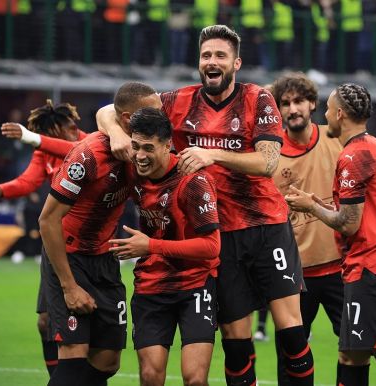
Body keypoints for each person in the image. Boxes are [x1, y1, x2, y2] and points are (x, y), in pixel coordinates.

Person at [97, 25, 313, 386]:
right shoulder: (176, 101)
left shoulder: (257, 98)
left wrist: (210, 154)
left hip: (266, 227)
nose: (212, 62)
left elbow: (268, 161)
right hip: (219, 233)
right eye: (206, 56)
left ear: (236, 63)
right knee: (235, 341)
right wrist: (116, 132)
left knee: (291, 333)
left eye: (220, 56)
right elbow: (111, 109)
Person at [285, 83, 376, 386]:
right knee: (351, 355)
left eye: (329, 109)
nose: (326, 114)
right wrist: (323, 204)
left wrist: (311, 207)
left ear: (341, 114)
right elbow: (362, 208)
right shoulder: (375, 145)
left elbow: (348, 223)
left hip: (374, 265)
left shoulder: (353, 156)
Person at [39, 82, 162, 386]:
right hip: (71, 259)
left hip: (105, 259)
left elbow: (108, 110)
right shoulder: (88, 157)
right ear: (127, 119)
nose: (162, 119)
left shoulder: (142, 148)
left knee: (108, 362)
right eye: (153, 113)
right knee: (73, 354)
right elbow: (47, 220)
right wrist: (69, 287)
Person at [0, 100, 86, 378]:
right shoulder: (45, 153)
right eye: (57, 132)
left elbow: (76, 151)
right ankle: (57, 380)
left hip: (88, 243)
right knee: (45, 323)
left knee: (84, 328)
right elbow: (28, 182)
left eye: (67, 129)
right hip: (56, 241)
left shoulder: (89, 144)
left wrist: (32, 138)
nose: (68, 134)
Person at [108, 107, 221, 385]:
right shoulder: (133, 169)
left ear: (168, 145)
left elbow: (212, 247)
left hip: (194, 284)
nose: (140, 156)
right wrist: (30, 137)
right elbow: (89, 139)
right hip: (151, 286)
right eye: (135, 146)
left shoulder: (194, 181)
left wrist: (151, 246)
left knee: (195, 379)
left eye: (149, 148)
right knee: (149, 377)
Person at [270, 72, 344, 386]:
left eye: (299, 101)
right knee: (290, 360)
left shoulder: (337, 139)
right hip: (295, 277)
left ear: (313, 103)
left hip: (342, 269)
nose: (293, 109)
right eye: (284, 103)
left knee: (358, 349)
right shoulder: (269, 155)